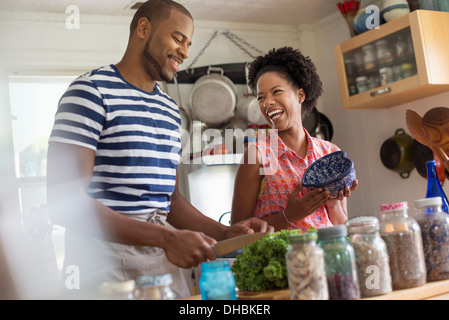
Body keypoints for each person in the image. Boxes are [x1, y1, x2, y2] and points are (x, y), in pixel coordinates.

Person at [46, 0, 272, 298]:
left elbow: (171, 201)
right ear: (143, 28)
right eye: (178, 38)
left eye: (189, 44)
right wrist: (166, 237)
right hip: (101, 269)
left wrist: (225, 233)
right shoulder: (90, 92)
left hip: (161, 264)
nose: (185, 52)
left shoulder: (168, 110)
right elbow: (65, 203)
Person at [231, 47, 358, 232]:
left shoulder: (330, 152)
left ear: (300, 95)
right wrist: (289, 216)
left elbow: (341, 224)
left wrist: (333, 204)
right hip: (280, 260)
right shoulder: (256, 156)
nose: (267, 103)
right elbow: (237, 232)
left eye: (276, 91)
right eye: (261, 97)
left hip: (326, 256)